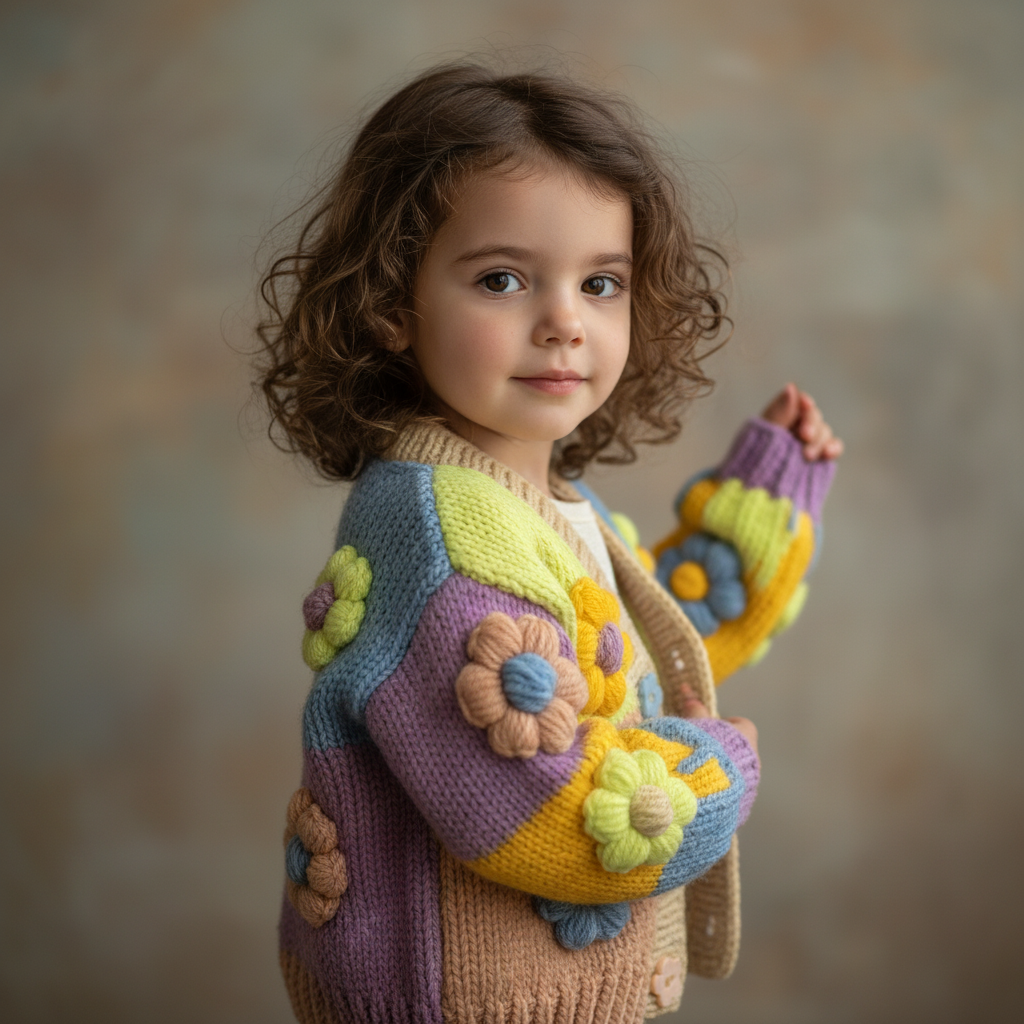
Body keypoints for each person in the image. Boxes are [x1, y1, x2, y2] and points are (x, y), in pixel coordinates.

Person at [255, 60, 842, 1024]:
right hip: (471, 1004)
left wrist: (764, 501)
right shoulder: (443, 532)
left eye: (601, 283)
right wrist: (720, 768)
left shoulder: (546, 504)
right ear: (393, 306)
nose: (565, 322)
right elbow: (557, 816)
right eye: (502, 279)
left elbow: (641, 658)